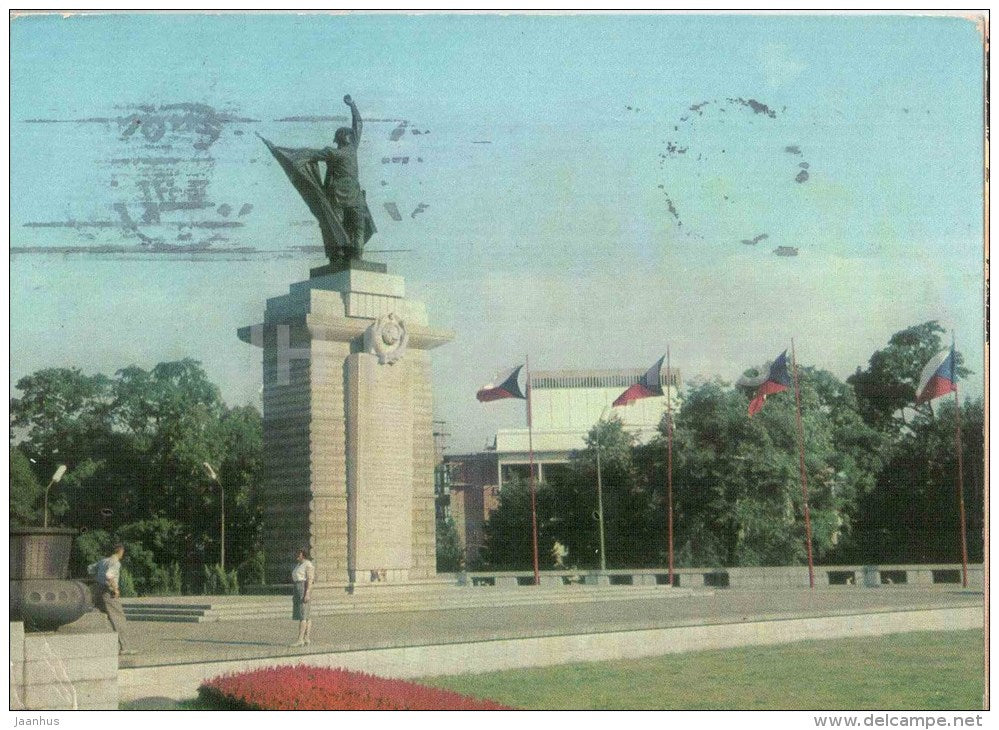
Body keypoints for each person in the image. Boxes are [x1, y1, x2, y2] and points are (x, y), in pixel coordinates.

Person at [88, 543, 136, 655]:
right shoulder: (115, 563)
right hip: (108, 593)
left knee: (100, 616)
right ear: (121, 551)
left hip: (98, 591)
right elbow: (109, 575)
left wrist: (98, 578)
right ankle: (125, 647)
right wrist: (115, 589)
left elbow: (90, 569)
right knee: (118, 618)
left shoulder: (103, 561)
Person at [290, 548, 315, 647]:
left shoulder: (308, 564)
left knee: (303, 615)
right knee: (306, 615)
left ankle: (301, 639)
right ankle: (306, 638)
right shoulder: (298, 565)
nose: (296, 555)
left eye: (298, 553)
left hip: (303, 588)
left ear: (303, 555)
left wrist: (307, 593)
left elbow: (310, 579)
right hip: (297, 588)